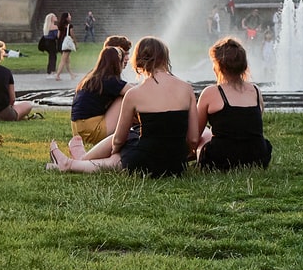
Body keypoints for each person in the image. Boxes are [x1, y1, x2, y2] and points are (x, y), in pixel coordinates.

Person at [47, 36, 195, 177]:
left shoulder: (134, 94)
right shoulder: (187, 89)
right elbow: (193, 139)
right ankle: (71, 163)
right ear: (166, 57)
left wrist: (116, 149)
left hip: (143, 161)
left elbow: (118, 139)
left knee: (123, 150)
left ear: (138, 60)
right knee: (127, 153)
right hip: (177, 165)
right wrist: (177, 153)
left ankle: (72, 163)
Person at [192, 37, 272, 172]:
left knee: (205, 132)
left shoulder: (211, 92)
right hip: (257, 158)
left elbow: (195, 136)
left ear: (218, 66)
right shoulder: (255, 91)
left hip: (221, 159)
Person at [70, 45, 130, 147]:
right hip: (92, 130)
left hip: (78, 130)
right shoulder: (110, 80)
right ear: (116, 63)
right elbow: (136, 93)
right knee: (125, 97)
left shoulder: (92, 78)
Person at [55, 12, 76, 80]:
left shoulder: (60, 25)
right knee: (63, 61)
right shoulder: (70, 26)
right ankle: (57, 75)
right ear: (66, 18)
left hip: (61, 43)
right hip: (67, 44)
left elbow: (58, 36)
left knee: (67, 61)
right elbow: (72, 34)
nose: (70, 17)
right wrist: (75, 42)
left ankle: (72, 74)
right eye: (69, 16)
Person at [40, 13, 60, 77]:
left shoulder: (47, 26)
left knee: (51, 56)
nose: (56, 17)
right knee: (53, 57)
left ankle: (49, 70)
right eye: (55, 16)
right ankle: (52, 71)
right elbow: (57, 36)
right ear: (51, 19)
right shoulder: (54, 26)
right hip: (52, 42)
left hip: (46, 42)